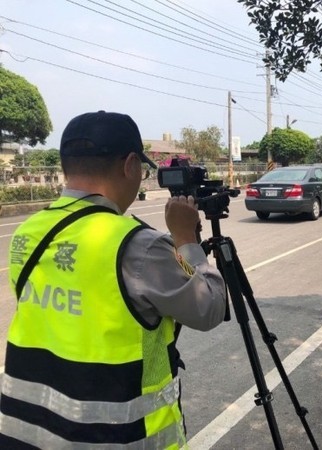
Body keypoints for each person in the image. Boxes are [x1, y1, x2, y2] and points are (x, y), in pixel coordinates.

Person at [0, 111, 227, 449]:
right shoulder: (137, 245)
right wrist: (187, 241)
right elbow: (209, 308)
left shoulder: (29, 232)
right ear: (130, 165)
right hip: (118, 438)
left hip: (27, 433)